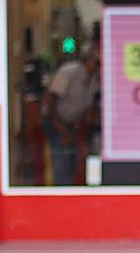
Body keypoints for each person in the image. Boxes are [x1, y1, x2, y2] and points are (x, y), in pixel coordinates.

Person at [43, 50, 101, 187]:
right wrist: (60, 128)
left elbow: (88, 106)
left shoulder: (94, 79)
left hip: (73, 123)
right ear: (87, 60)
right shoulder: (68, 72)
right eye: (97, 63)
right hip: (55, 120)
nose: (99, 67)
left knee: (74, 160)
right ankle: (61, 192)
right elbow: (50, 98)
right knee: (61, 159)